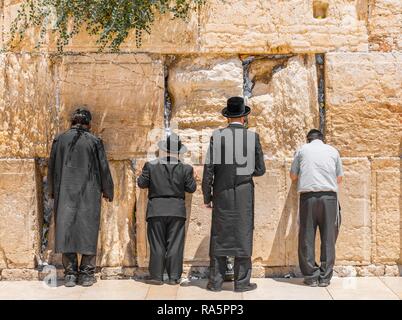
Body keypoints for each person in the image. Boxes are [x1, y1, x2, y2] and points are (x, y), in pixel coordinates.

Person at [202, 96, 266, 292]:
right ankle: (242, 283)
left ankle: (215, 282)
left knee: (219, 236)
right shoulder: (252, 137)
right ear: (244, 117)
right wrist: (246, 173)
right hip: (244, 194)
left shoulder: (218, 136)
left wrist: (207, 196)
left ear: (227, 117)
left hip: (222, 193)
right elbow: (260, 169)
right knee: (243, 234)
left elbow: (209, 169)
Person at [48, 108, 114, 287]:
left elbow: (52, 167)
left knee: (66, 229)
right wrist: (108, 191)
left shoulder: (59, 140)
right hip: (89, 193)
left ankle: (70, 274)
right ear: (89, 124)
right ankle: (86, 274)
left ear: (72, 122)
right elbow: (103, 168)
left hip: (65, 193)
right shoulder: (94, 141)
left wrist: (52, 191)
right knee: (88, 231)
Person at [137, 133, 197, 285]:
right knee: (175, 245)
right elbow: (191, 189)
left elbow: (142, 184)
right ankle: (174, 277)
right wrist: (193, 177)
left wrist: (140, 174)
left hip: (156, 210)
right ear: (178, 152)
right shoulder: (186, 168)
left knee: (157, 243)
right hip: (176, 211)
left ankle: (156, 276)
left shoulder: (150, 166)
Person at [290, 129, 343, 287]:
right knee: (328, 237)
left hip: (308, 198)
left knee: (306, 236)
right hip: (329, 198)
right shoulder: (333, 151)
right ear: (322, 139)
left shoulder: (302, 150)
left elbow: (293, 175)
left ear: (308, 139)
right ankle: (325, 278)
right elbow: (339, 178)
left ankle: (311, 277)